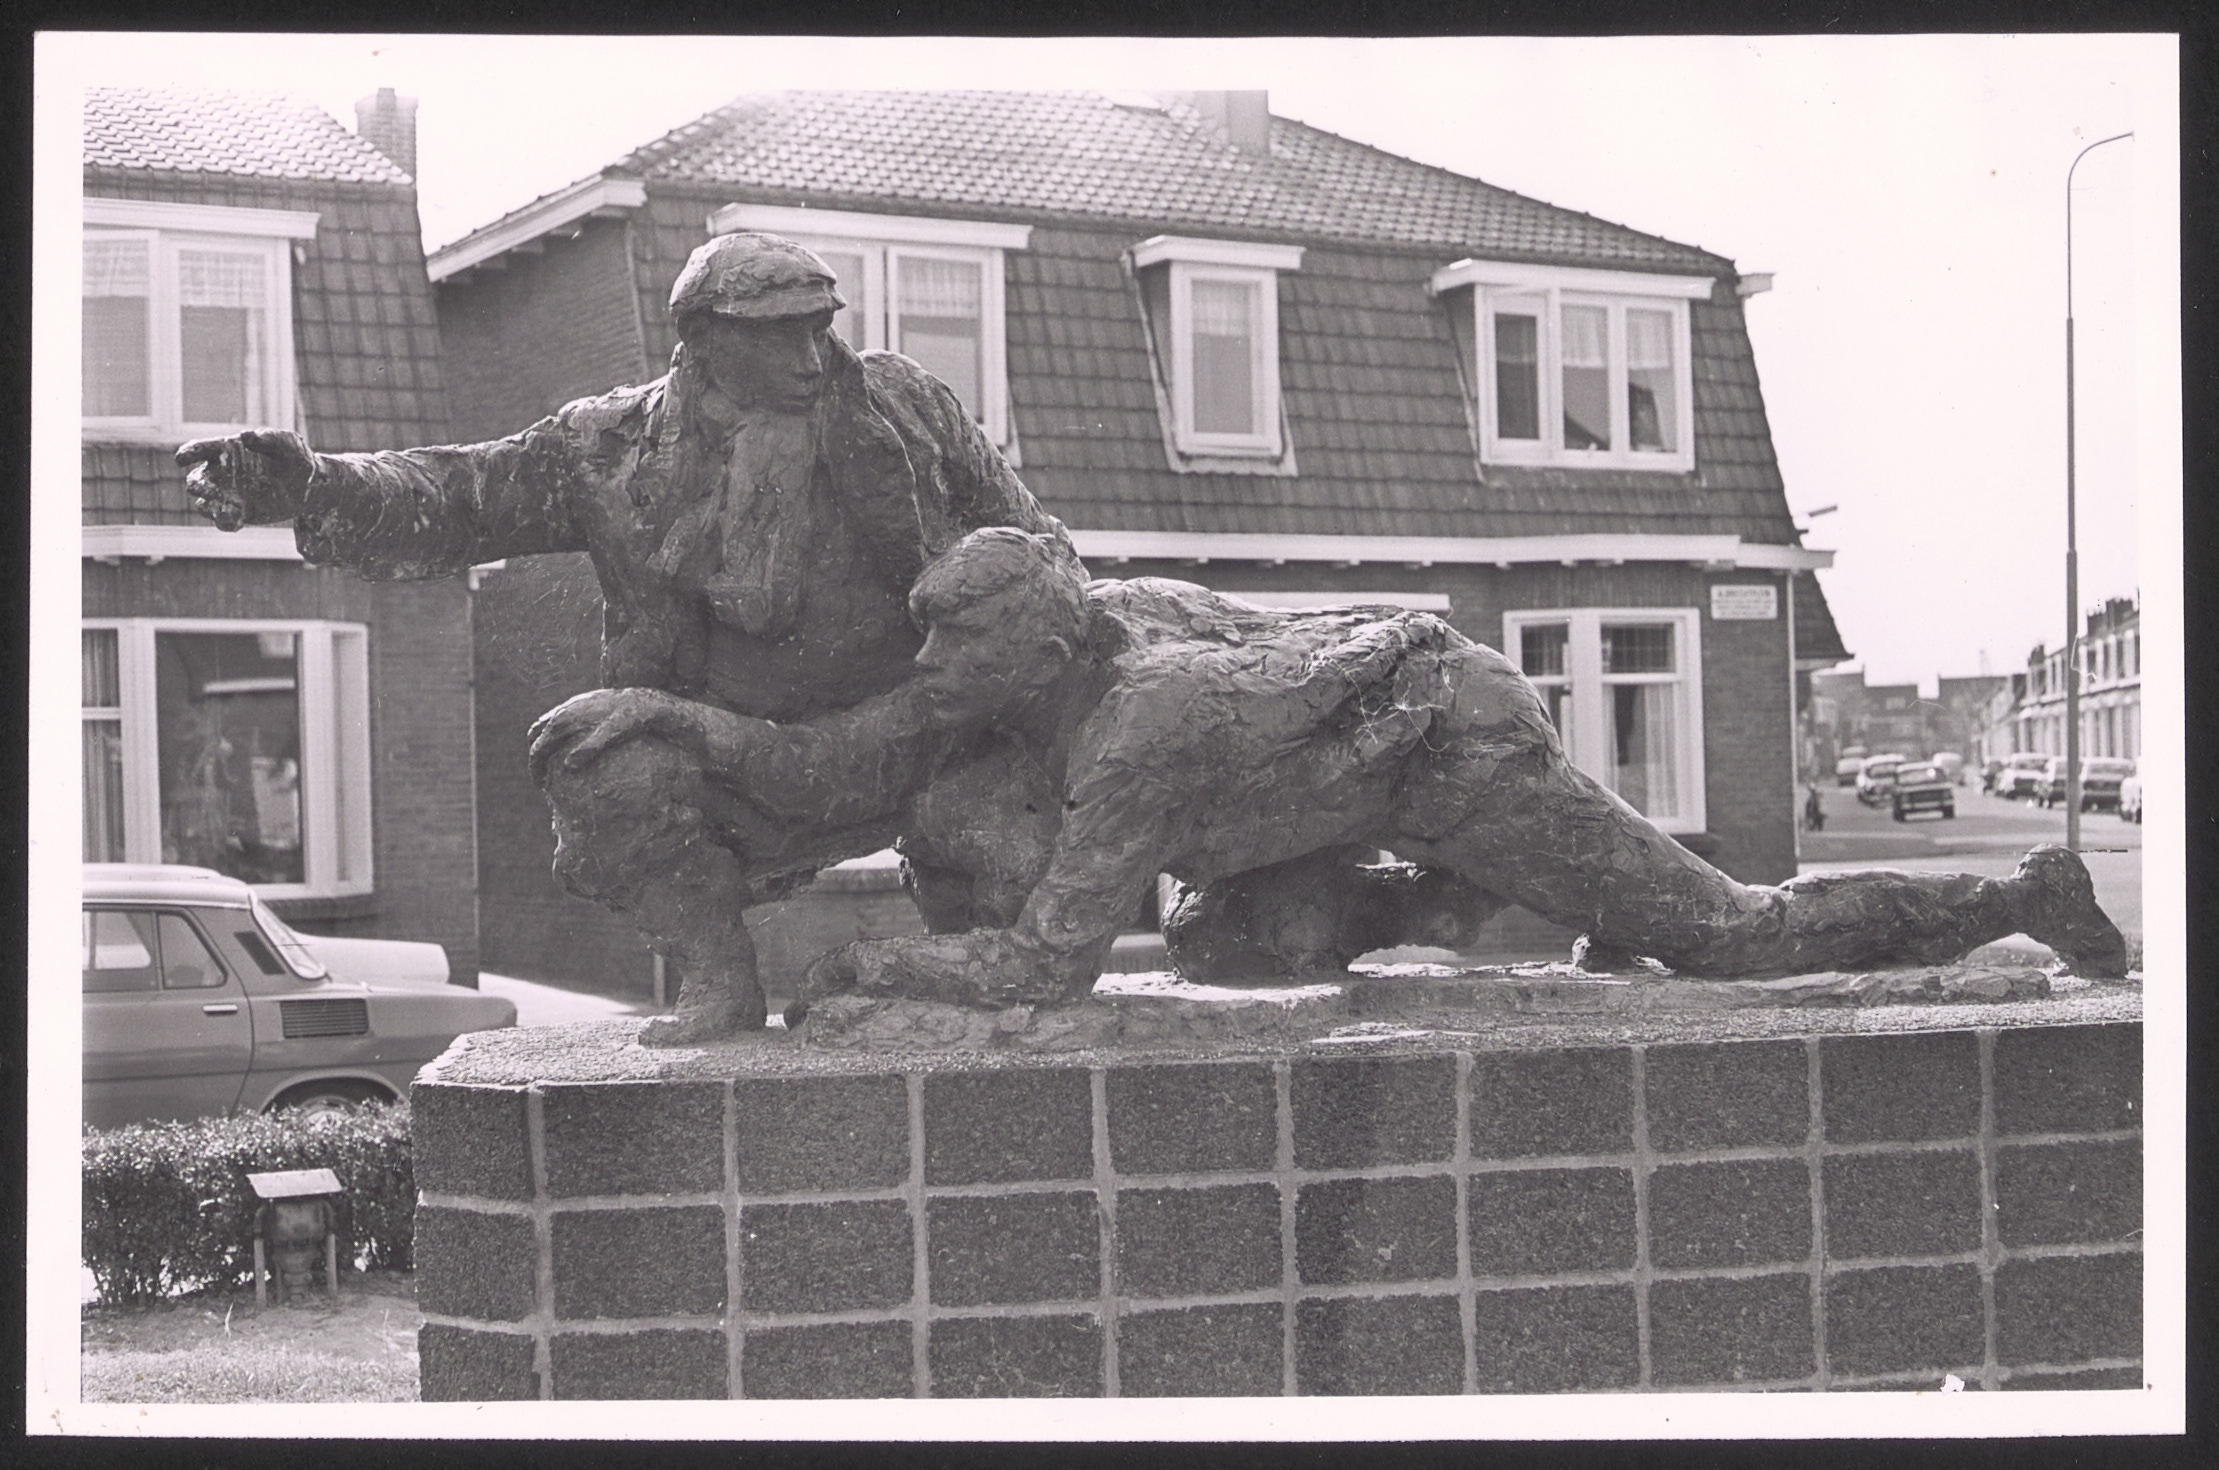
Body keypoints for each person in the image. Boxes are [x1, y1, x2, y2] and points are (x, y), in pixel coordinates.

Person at [582, 527, 2128, 1015]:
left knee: (1722, 937)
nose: (933, 677)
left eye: (957, 653)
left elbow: (1050, 964)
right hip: (1336, 779)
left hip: (1449, 748)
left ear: (1037, 649)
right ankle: (1459, 902)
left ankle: (2014, 892)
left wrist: (873, 961)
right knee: (1222, 935)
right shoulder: (1102, 620)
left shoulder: (1138, 721)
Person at [177, 233, 1073, 1043]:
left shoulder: (907, 403)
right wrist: (316, 486)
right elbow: (463, 495)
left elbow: (1040, 550)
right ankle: (717, 977)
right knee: (600, 765)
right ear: (702, 336)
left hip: (937, 733)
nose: (808, 360)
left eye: (817, 329)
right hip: (730, 760)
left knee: (1012, 932)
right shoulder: (602, 447)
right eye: (775, 337)